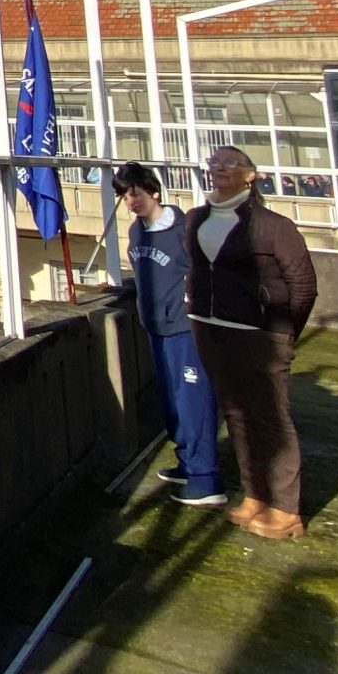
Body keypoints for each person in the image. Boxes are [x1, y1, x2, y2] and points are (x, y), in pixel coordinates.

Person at [186, 143, 319, 542]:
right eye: (214, 162)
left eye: (230, 162)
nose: (219, 167)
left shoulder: (271, 225)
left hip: (259, 333)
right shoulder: (196, 219)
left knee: (271, 417)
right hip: (210, 327)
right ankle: (255, 494)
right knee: (237, 415)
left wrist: (281, 329)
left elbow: (303, 285)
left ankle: (286, 508)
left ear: (250, 175)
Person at [116, 161, 225, 508]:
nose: (130, 203)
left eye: (134, 194)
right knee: (172, 401)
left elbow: (210, 272)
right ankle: (187, 462)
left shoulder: (184, 230)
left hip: (186, 328)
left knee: (194, 400)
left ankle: (206, 479)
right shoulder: (137, 232)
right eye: (123, 196)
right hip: (156, 327)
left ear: (153, 192)